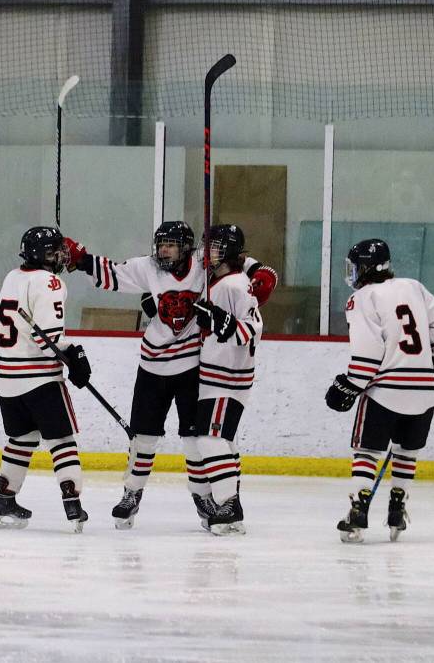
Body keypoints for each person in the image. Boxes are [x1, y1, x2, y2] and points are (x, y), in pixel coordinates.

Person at [64, 222, 276, 531]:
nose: (163, 250)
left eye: (170, 245)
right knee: (143, 438)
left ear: (187, 247)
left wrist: (263, 277)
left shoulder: (206, 262)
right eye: (160, 244)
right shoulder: (148, 267)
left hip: (191, 366)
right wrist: (81, 258)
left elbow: (243, 262)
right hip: (152, 365)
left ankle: (204, 497)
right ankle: (131, 493)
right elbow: (110, 273)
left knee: (195, 441)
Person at [324, 238, 434, 543]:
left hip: (385, 391)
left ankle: (357, 511)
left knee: (367, 451)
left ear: (366, 268)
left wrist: (350, 384)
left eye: (355, 266)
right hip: (424, 392)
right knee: (406, 451)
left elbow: (368, 355)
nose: (352, 272)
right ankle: (397, 508)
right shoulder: (413, 286)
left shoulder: (363, 298)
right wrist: (428, 366)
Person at [0, 226, 92, 533]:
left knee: (22, 439)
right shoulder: (49, 281)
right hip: (38, 378)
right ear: (41, 254)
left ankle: (3, 499)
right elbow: (46, 337)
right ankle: (72, 504)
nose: (60, 255)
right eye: (54, 251)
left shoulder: (13, 276)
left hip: (6, 377)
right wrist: (74, 355)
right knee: (61, 441)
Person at [191, 224, 263, 535]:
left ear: (230, 252)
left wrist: (221, 321)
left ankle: (229, 504)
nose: (207, 253)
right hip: (218, 375)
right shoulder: (223, 280)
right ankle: (228, 505)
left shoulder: (233, 285)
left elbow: (251, 330)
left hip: (226, 376)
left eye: (215, 247)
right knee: (223, 443)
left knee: (211, 440)